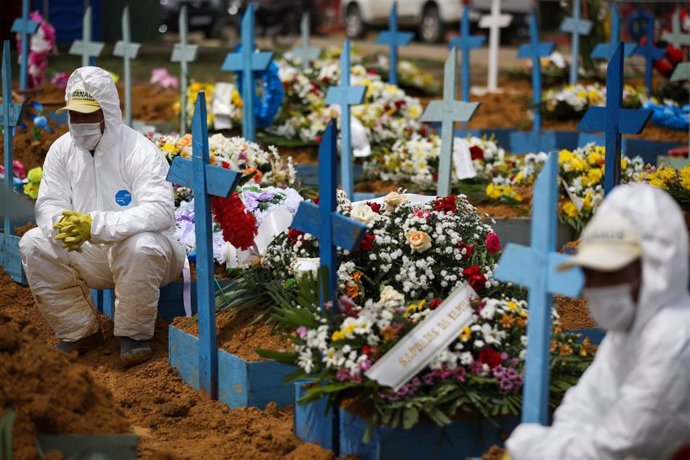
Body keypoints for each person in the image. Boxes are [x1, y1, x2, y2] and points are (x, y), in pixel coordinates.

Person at [505, 183, 690, 459]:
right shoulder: (626, 334)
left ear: (652, 267)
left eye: (608, 271)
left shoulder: (676, 337)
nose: (592, 286)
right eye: (588, 273)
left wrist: (540, 450)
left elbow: (622, 442)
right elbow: (584, 406)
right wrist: (553, 442)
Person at [19, 67, 185, 367]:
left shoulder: (139, 151)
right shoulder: (62, 150)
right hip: (95, 256)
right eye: (74, 116)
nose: (80, 124)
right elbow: (49, 203)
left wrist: (94, 225)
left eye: (88, 115)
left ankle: (134, 335)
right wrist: (63, 227)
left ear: (107, 112)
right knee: (33, 243)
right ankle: (79, 332)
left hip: (154, 259)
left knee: (140, 245)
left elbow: (160, 212)